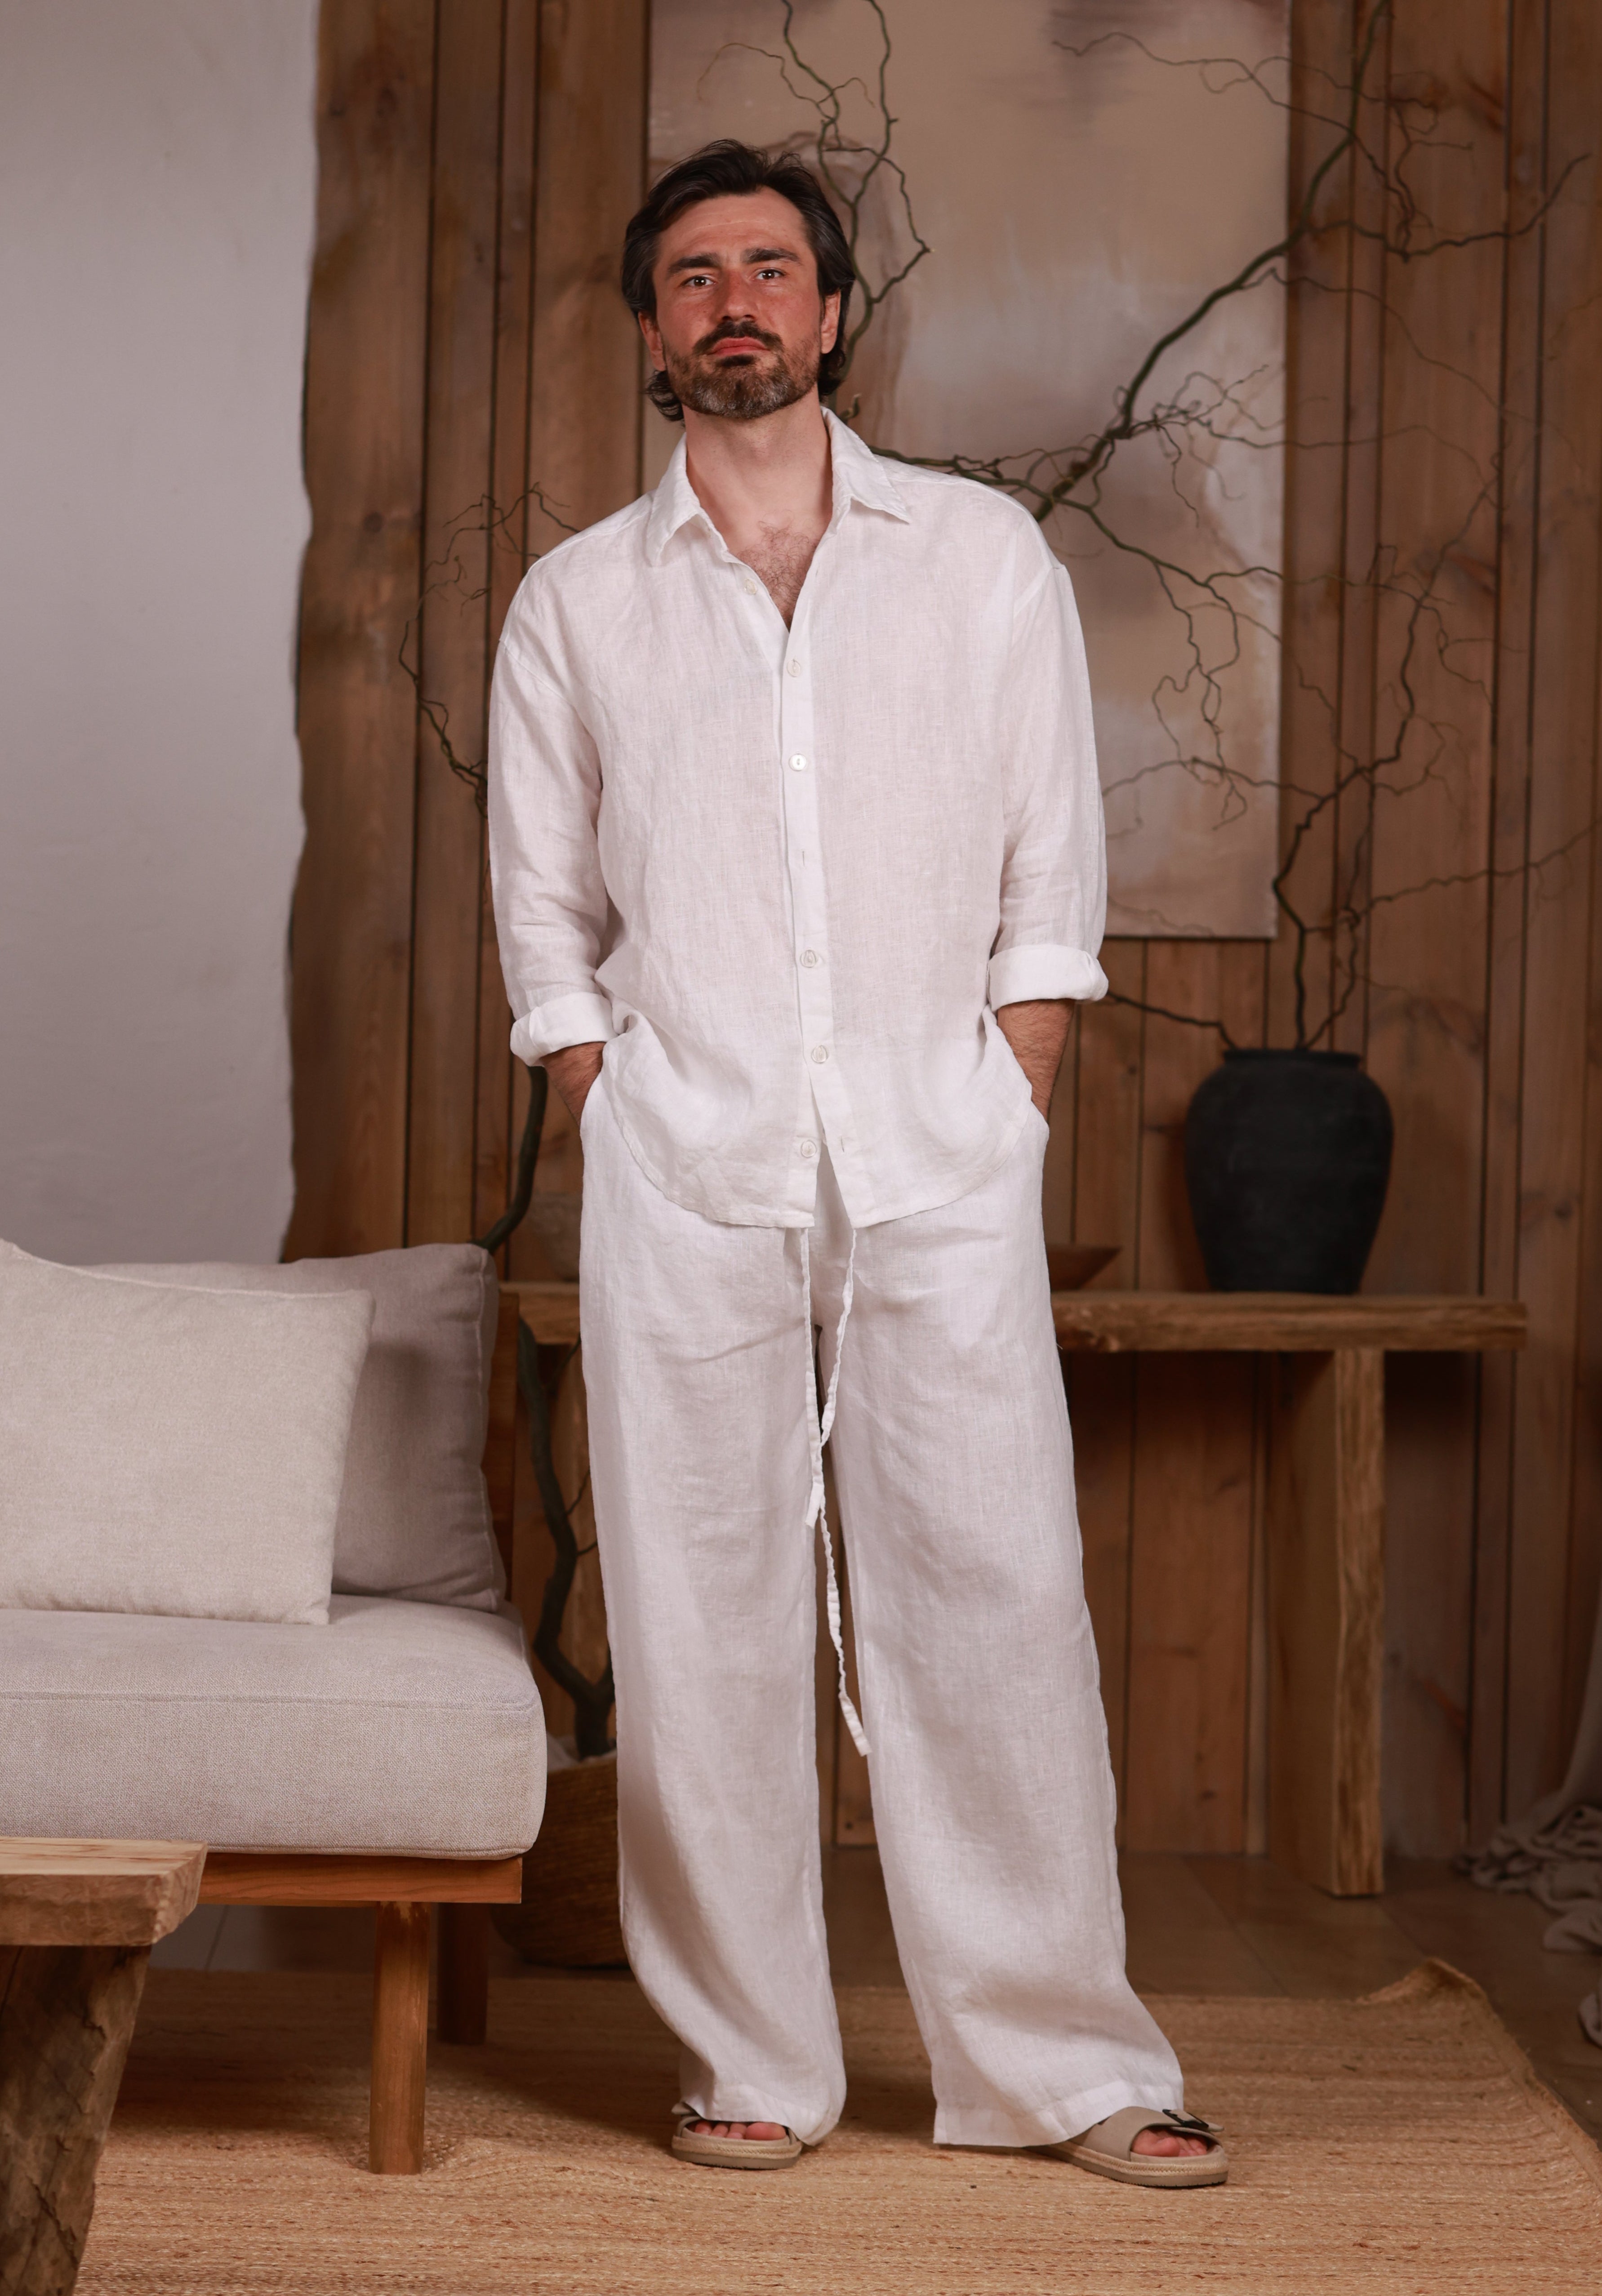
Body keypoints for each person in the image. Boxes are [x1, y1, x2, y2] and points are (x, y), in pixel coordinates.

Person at [488, 138, 1225, 2189]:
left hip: (939, 1152)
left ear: (829, 310)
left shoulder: (979, 559)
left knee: (996, 1596)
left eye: (768, 268)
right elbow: (545, 912)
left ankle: (1063, 2063)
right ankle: (751, 2055)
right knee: (697, 1611)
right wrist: (604, 1092)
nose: (733, 300)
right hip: (685, 1160)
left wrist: (1015, 1081)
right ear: (653, 328)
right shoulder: (578, 601)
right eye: (693, 273)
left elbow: (1047, 867)